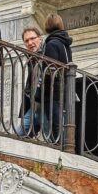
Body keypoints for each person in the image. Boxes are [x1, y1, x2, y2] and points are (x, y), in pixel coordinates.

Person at [38, 13, 73, 143]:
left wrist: (43, 90)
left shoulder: (52, 44)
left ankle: (59, 149)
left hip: (53, 90)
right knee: (60, 121)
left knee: (55, 122)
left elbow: (50, 70)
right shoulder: (65, 44)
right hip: (63, 87)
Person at [16, 26, 44, 137]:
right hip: (33, 106)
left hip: (46, 105)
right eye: (26, 40)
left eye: (33, 38)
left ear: (40, 39)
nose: (30, 42)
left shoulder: (47, 53)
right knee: (19, 135)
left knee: (50, 138)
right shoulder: (31, 58)